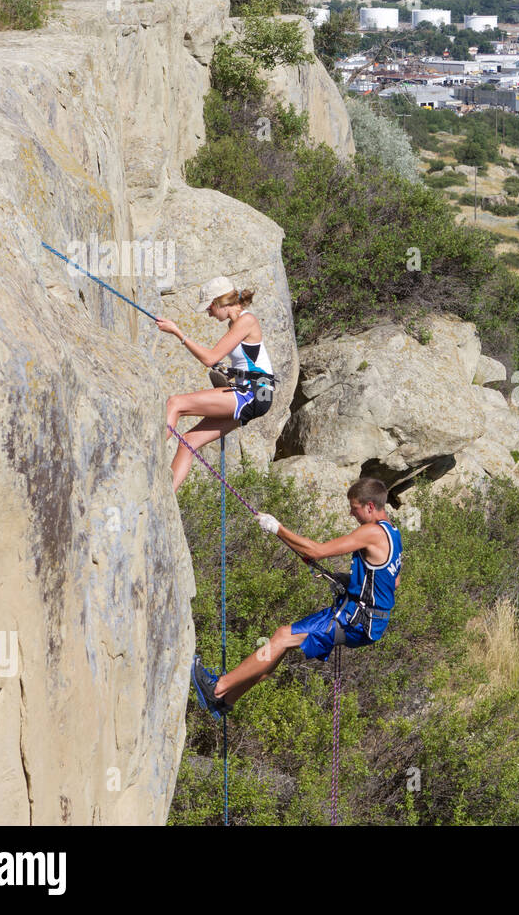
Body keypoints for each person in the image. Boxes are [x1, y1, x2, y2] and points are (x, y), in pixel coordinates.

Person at [190, 477, 403, 719]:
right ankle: (225, 701)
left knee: (282, 637)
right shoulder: (393, 534)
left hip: (357, 618)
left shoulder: (372, 532)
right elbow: (393, 580)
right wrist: (349, 581)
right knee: (282, 644)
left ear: (370, 507)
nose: (351, 513)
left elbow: (317, 551)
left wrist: (277, 528)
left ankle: (216, 688)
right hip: (367, 618)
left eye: (354, 508)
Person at [155, 277, 277, 492]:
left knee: (175, 403)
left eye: (209, 308)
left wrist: (178, 333)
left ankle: (146, 452)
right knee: (188, 442)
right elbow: (250, 362)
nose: (209, 314)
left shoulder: (246, 321)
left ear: (220, 302)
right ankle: (165, 496)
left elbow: (209, 358)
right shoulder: (236, 323)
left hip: (254, 393)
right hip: (256, 393)